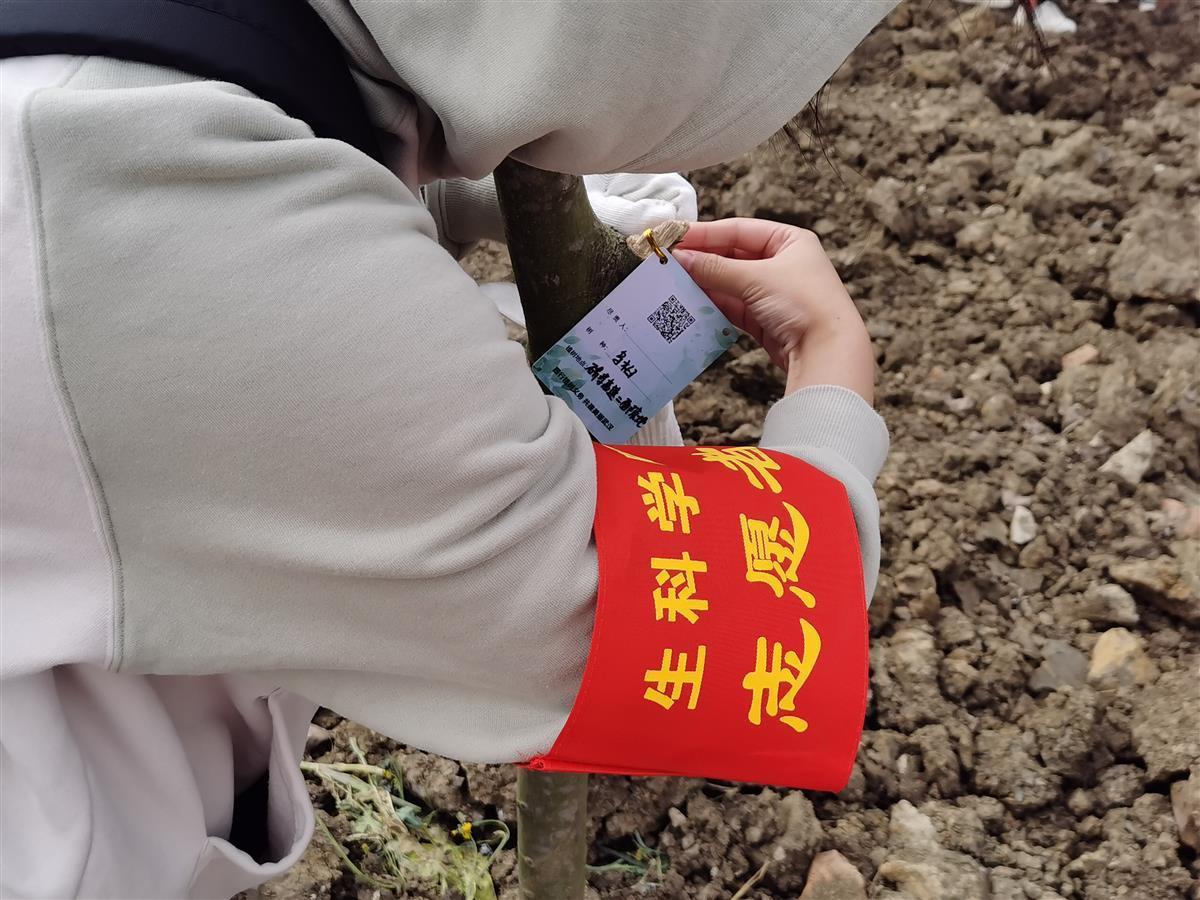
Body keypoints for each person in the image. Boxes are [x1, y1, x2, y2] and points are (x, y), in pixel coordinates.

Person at [0, 1, 893, 896]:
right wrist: (828, 367)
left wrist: (414, 168)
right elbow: (682, 640)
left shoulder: (99, 119)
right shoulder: (177, 226)